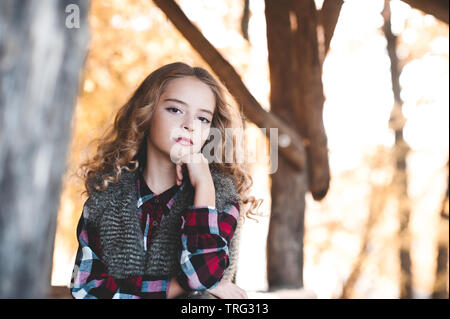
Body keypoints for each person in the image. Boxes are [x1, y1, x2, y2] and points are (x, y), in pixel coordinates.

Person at [70, 62, 261, 299]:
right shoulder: (105, 196)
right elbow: (85, 291)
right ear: (146, 113)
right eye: (175, 110)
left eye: (203, 118)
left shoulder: (220, 197)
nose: (190, 125)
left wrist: (203, 184)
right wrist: (177, 288)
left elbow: (201, 277)